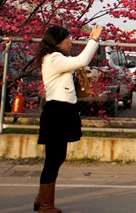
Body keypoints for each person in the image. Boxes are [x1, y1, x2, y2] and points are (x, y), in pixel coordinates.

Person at [35, 25, 102, 212]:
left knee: (57, 157)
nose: (70, 41)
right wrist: (94, 40)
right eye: (67, 38)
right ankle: (46, 204)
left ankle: (43, 198)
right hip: (57, 111)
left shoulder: (56, 58)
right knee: (54, 159)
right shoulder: (54, 58)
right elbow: (82, 60)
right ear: (57, 41)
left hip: (62, 110)